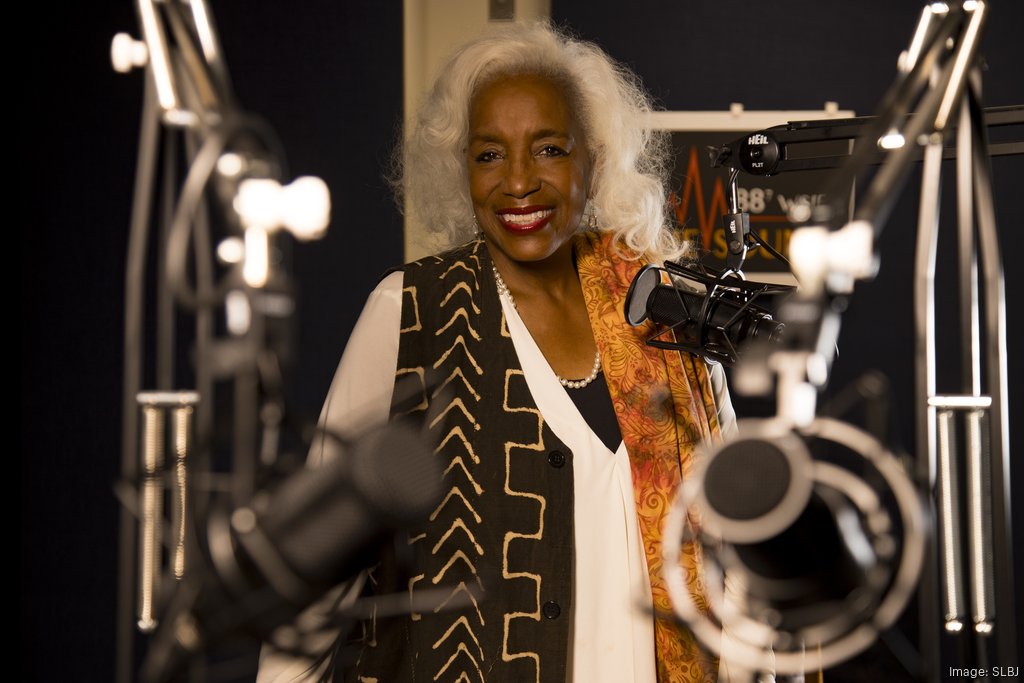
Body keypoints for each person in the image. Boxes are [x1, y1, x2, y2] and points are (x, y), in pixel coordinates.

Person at [258, 20, 736, 683]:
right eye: (488, 155)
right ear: (460, 170)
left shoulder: (668, 315)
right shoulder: (408, 313)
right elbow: (315, 572)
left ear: (593, 160)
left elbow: (735, 559)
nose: (518, 182)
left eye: (548, 149)